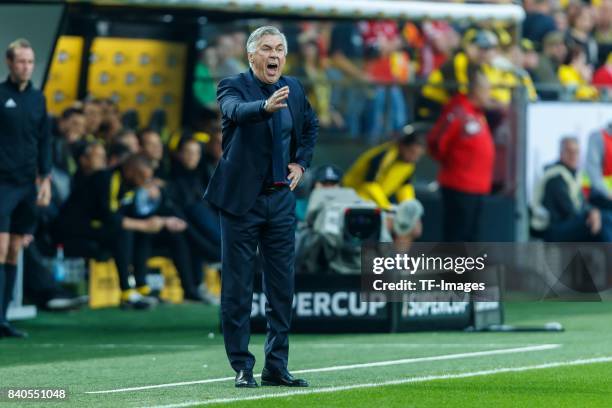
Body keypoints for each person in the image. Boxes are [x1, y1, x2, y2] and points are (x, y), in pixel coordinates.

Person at [204, 25, 317, 388]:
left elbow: (310, 127)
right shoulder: (231, 85)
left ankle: (276, 365)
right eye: (267, 48)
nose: (274, 55)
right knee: (237, 286)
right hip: (241, 202)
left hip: (280, 199)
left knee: (281, 287)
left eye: (280, 49)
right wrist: (265, 107)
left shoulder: (295, 88)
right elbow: (235, 112)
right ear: (252, 55)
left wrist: (301, 163)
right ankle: (241, 365)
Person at [0, 39, 52, 338]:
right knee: (1, 248)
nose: (26, 67)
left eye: (30, 62)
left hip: (26, 185)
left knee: (14, 251)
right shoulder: (0, 95)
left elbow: (44, 140)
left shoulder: (38, 98)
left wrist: (44, 179)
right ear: (10, 63)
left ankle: (3, 318)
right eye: (21, 62)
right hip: (2, 183)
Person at [427, 67, 495, 242]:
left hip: (477, 186)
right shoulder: (458, 110)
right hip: (459, 185)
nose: (490, 94)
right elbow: (436, 142)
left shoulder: (477, 113)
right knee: (457, 236)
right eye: (487, 90)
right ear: (476, 89)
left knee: (471, 236)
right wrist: (455, 166)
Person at [531, 137, 602, 242]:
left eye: (576, 152)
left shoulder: (575, 177)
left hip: (566, 224)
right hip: (551, 228)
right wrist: (590, 214)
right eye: (569, 151)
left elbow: (582, 203)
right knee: (600, 222)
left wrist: (592, 211)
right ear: (561, 153)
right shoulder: (555, 177)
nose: (573, 156)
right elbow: (569, 211)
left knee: (604, 219)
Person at [343, 123, 427, 210]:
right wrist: (386, 207)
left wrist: (409, 209)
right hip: (353, 198)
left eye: (418, 155)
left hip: (373, 202)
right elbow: (370, 183)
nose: (414, 158)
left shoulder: (408, 164)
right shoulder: (384, 155)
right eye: (412, 152)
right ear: (402, 146)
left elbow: (404, 186)